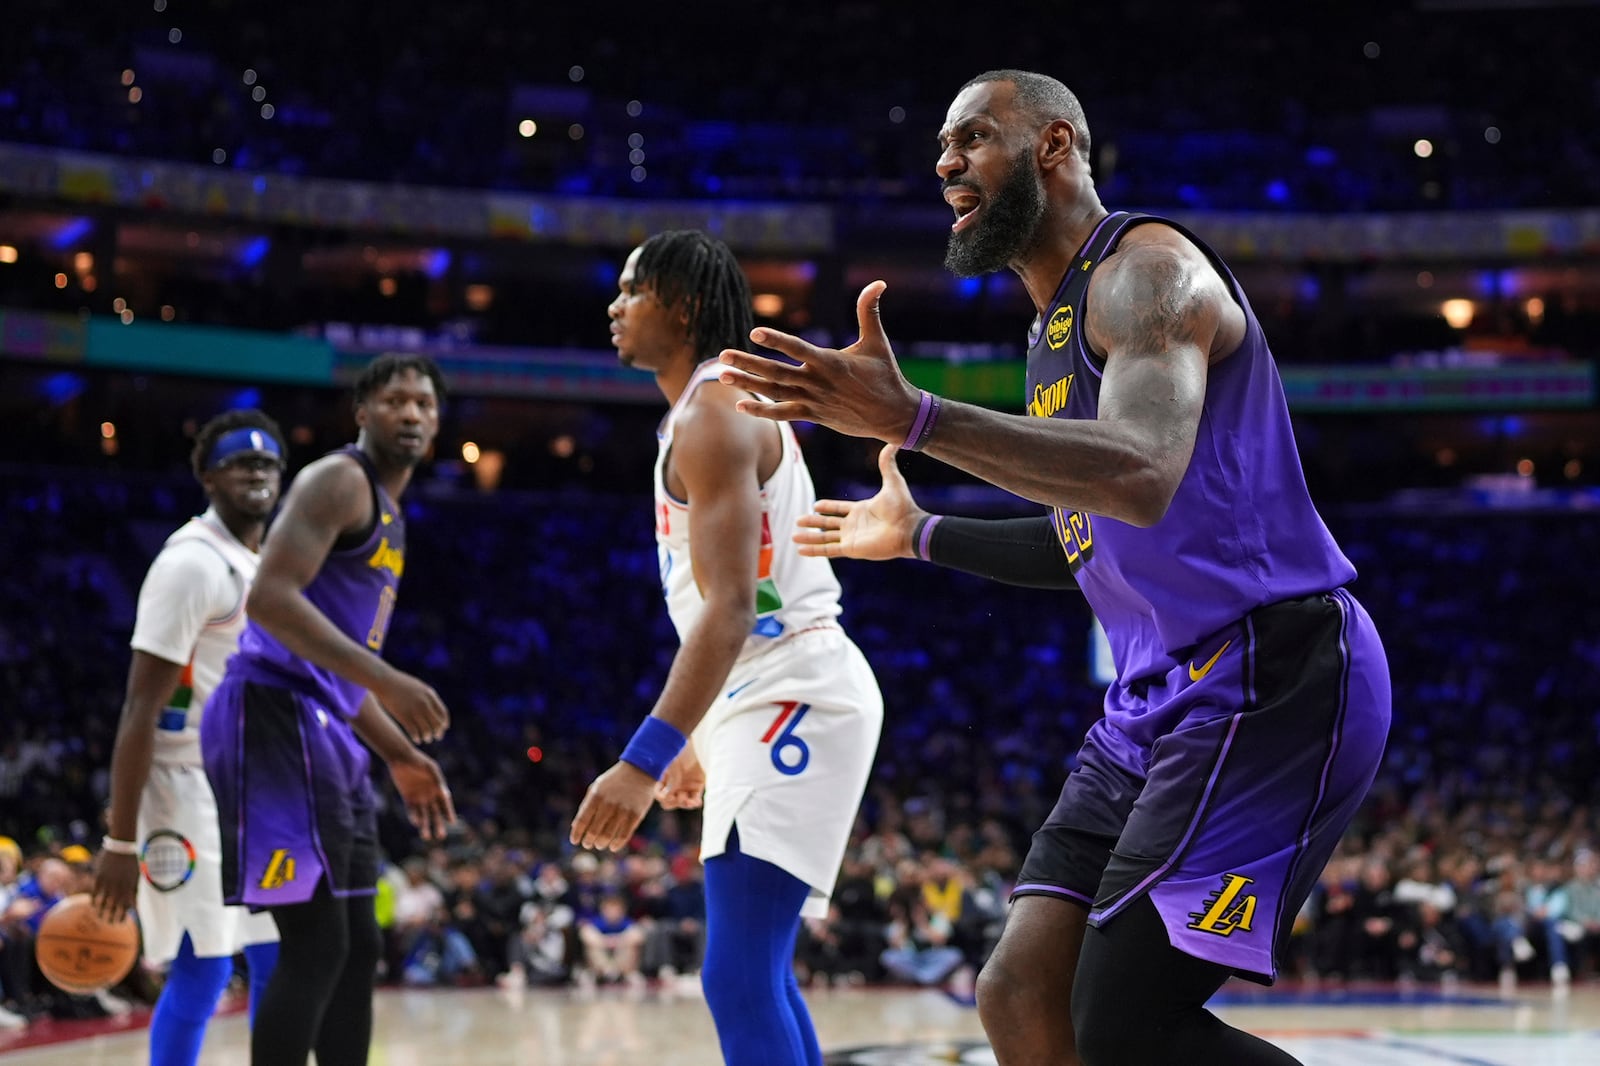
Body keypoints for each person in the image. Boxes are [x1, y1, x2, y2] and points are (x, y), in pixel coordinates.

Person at [716, 70, 1391, 1066]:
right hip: (1154, 696)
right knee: (1019, 992)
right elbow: (1094, 541)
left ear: (1054, 146)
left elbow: (1142, 473)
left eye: (973, 137)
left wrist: (917, 418)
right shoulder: (1049, 335)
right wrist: (919, 535)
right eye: (942, 145)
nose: (944, 162)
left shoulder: (1144, 273)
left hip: (1270, 671)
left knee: (1122, 1023)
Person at [571, 230, 884, 1066]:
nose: (615, 306)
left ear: (681, 304)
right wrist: (704, 737)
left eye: (631, 290)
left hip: (794, 685)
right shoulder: (702, 410)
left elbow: (736, 611)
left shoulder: (715, 412)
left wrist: (645, 756)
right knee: (758, 974)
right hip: (766, 688)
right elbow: (726, 606)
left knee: (738, 976)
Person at [200, 355, 457, 1066]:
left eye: (423, 404)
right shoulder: (339, 480)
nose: (410, 413)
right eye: (395, 400)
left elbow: (339, 676)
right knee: (318, 944)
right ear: (363, 413)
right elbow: (271, 600)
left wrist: (402, 753)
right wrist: (391, 680)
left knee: (358, 944)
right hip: (272, 716)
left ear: (436, 424)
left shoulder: (393, 514)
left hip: (323, 726)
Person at [90, 410, 287, 1065]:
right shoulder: (191, 564)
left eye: (267, 464)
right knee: (202, 969)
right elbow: (139, 708)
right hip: (182, 789)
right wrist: (120, 838)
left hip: (249, 785)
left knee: (277, 953)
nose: (256, 473)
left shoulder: (264, 563)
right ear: (208, 476)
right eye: (240, 463)